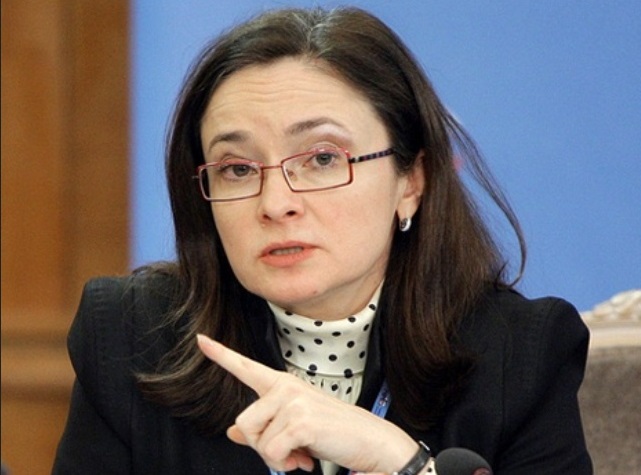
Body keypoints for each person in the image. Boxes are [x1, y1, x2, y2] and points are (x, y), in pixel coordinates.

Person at [52, 6, 592, 475]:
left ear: (411, 181)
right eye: (237, 168)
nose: (275, 202)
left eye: (323, 158)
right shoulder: (131, 335)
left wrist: (401, 462)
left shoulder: (521, 356)